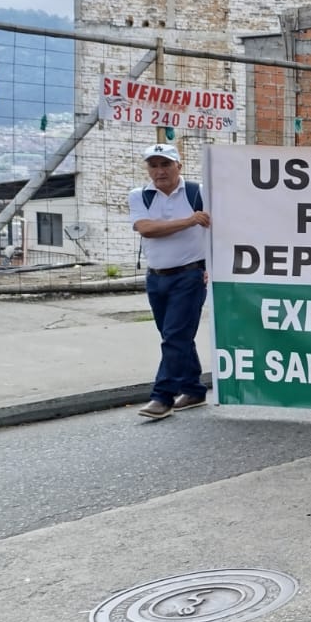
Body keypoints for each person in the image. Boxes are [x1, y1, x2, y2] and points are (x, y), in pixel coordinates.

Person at [128, 144, 211, 420]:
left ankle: (162, 396)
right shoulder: (140, 196)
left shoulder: (197, 193)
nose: (160, 171)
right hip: (156, 277)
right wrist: (189, 221)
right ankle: (194, 389)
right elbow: (146, 229)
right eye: (154, 165)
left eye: (166, 164)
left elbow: (219, 228)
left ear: (179, 165)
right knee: (175, 335)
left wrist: (214, 266)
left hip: (190, 275)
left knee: (175, 336)